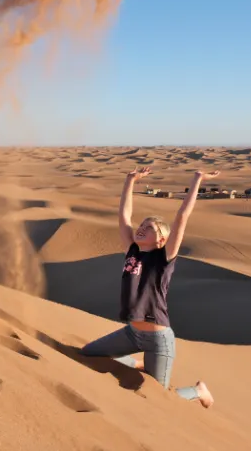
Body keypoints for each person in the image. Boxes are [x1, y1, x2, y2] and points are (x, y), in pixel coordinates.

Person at [80, 167, 219, 408]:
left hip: (158, 339)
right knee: (88, 353)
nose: (142, 227)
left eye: (150, 227)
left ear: (162, 240)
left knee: (159, 399)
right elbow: (124, 217)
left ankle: (197, 390)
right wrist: (129, 180)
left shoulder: (164, 259)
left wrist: (197, 180)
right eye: (142, 224)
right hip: (131, 333)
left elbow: (181, 218)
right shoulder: (131, 252)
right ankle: (139, 363)